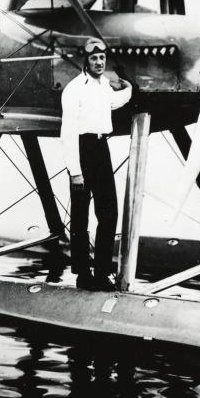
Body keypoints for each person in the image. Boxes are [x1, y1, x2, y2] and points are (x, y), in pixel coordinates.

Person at [61, 37, 132, 290]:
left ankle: (101, 272)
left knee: (108, 212)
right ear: (86, 60)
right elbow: (67, 132)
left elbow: (115, 101)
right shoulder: (74, 89)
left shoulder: (104, 86)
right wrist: (75, 171)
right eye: (94, 58)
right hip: (82, 149)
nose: (99, 62)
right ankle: (82, 274)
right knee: (80, 217)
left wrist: (128, 87)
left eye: (102, 58)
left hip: (102, 149)